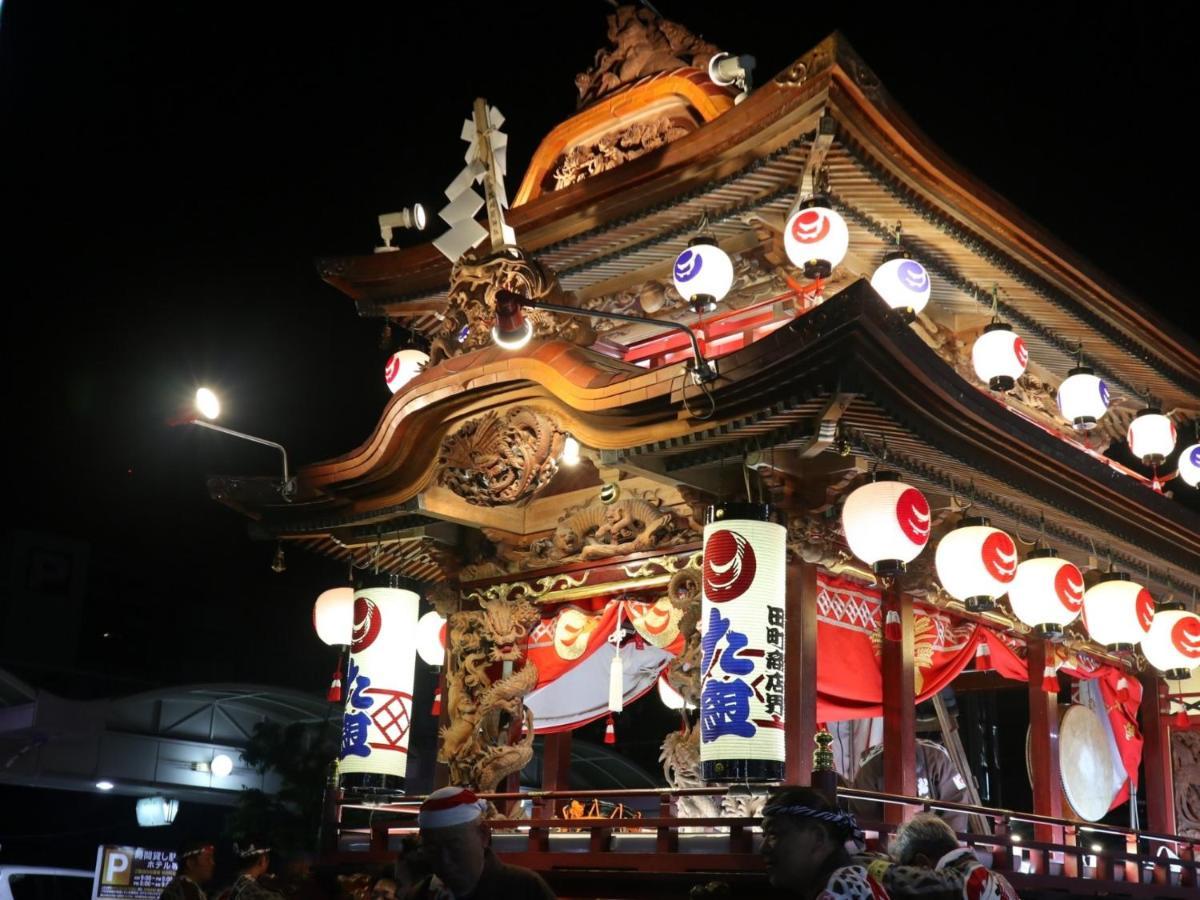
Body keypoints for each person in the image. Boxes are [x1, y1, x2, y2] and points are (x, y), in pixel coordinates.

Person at [405, 786, 556, 899]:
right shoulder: (421, 893)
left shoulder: (526, 888)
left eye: (454, 845)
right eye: (432, 848)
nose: (444, 860)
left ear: (483, 835)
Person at [761, 786, 889, 899]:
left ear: (818, 837)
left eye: (774, 835)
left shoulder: (842, 888)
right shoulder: (850, 879)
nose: (763, 848)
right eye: (764, 835)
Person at [865, 813, 1019, 900]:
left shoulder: (969, 880)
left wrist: (864, 863)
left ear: (922, 863)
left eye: (909, 867)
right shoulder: (996, 878)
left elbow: (908, 882)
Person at [852, 740, 971, 833]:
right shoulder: (868, 773)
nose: (913, 808)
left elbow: (957, 801)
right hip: (889, 827)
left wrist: (950, 843)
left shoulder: (937, 760)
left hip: (935, 828)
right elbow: (864, 817)